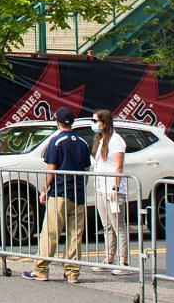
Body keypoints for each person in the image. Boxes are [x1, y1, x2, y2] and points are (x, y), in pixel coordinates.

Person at [31, 108, 91, 283]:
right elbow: (86, 170)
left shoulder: (56, 141)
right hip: (78, 194)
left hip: (59, 192)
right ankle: (72, 273)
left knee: (50, 232)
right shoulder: (82, 142)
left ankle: (41, 270)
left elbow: (51, 169)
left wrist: (44, 189)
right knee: (75, 235)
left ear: (57, 121)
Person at [88, 109, 129, 266]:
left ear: (104, 123)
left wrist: (115, 188)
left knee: (118, 225)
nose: (93, 124)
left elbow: (118, 166)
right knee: (106, 225)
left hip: (112, 189)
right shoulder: (100, 140)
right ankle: (109, 257)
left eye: (95, 121)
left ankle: (123, 261)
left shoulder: (116, 140)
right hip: (100, 187)